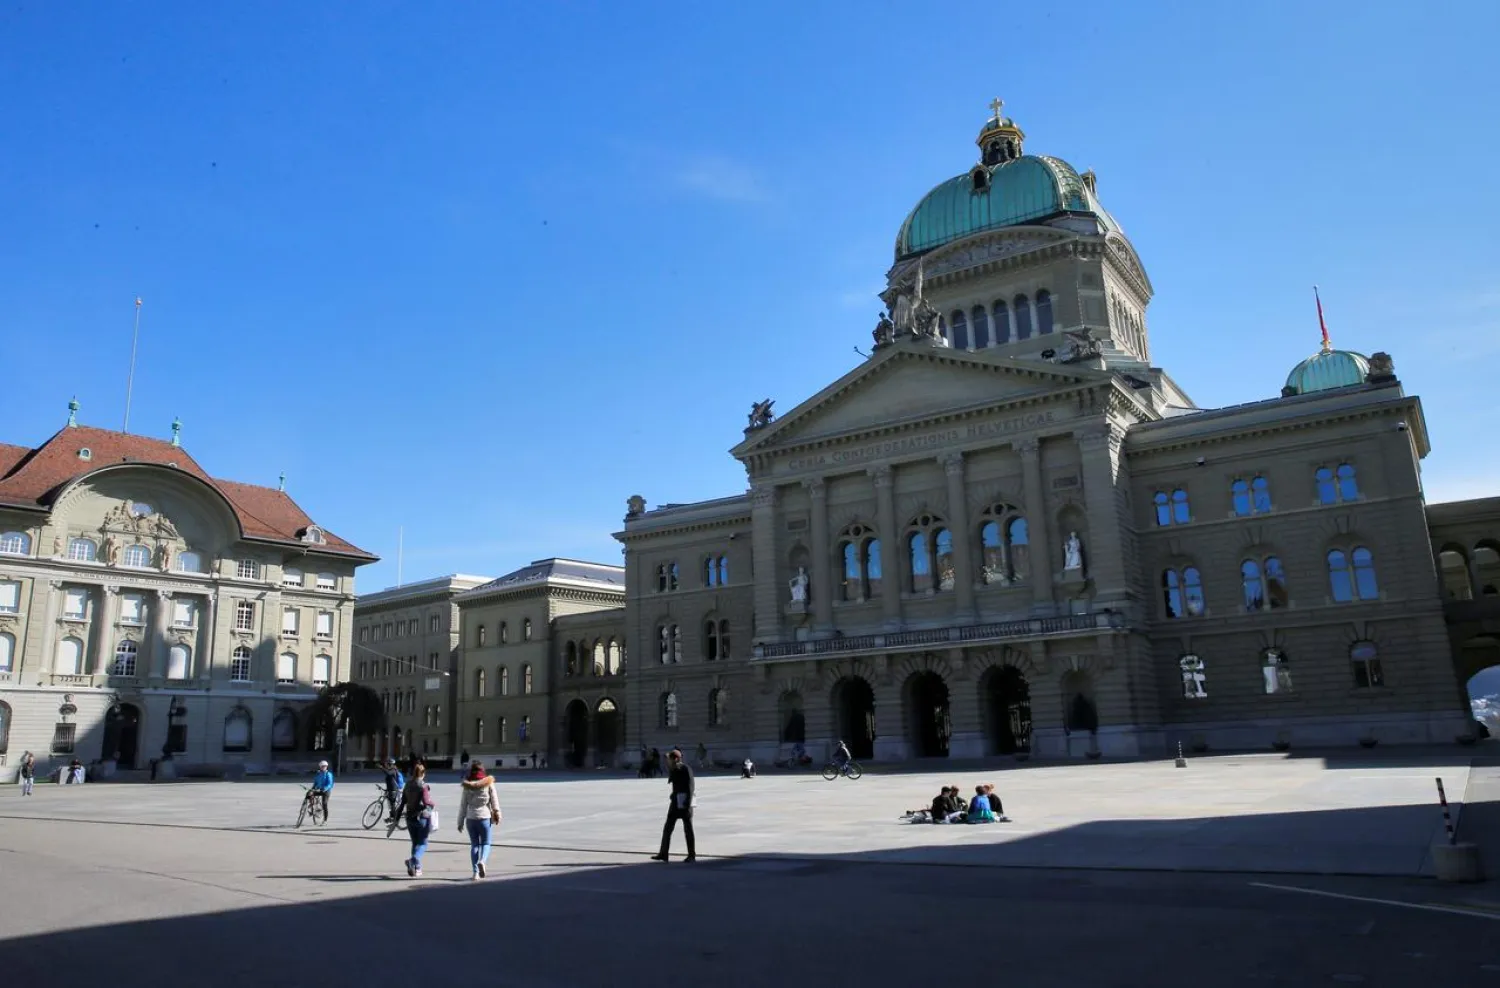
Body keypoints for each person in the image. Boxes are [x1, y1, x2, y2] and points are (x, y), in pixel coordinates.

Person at [457, 761, 502, 879]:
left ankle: (475, 873)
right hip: (484, 818)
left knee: (474, 845)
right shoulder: (488, 783)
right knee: (486, 843)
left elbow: (463, 805)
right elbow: (494, 800)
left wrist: (460, 822)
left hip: (470, 819)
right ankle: (482, 861)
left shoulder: (467, 786)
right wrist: (497, 813)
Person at [651, 748, 696, 863]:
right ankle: (663, 853)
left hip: (685, 803)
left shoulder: (686, 768)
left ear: (675, 759)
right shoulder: (674, 769)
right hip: (675, 803)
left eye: (670, 759)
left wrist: (688, 802)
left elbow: (691, 787)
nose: (668, 762)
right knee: (667, 828)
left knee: (688, 829)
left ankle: (691, 855)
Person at [401, 762, 436, 877]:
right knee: (423, 843)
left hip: (409, 817)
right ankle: (413, 860)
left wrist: (396, 818)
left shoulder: (407, 784)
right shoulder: (423, 786)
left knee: (415, 843)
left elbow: (402, 802)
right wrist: (433, 803)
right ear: (423, 773)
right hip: (421, 817)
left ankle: (417, 868)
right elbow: (426, 802)